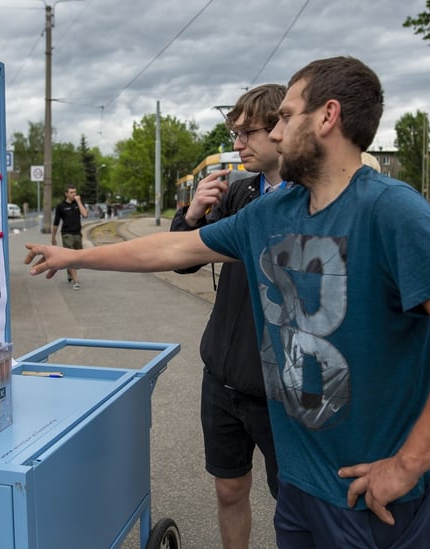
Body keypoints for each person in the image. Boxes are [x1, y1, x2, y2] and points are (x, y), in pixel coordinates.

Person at [25, 56, 430, 547]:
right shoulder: (271, 210)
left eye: (285, 116)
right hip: (301, 484)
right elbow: (175, 247)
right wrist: (76, 256)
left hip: (369, 497)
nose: (275, 134)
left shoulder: (391, 210)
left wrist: (410, 464)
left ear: (327, 117)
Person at [170, 84, 286, 548]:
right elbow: (184, 260)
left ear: (283, 128)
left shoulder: (314, 198)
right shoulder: (240, 193)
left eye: (246, 133)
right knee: (229, 487)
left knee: (295, 502)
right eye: (234, 132)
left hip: (282, 390)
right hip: (222, 376)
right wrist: (193, 213)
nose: (237, 145)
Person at [51, 185, 88, 290]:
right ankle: (76, 281)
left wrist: (79, 202)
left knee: (78, 259)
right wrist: (53, 237)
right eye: (71, 192)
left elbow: (85, 214)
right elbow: (56, 223)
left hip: (77, 234)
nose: (74, 194)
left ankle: (69, 272)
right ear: (66, 194)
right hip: (67, 234)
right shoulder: (61, 206)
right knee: (70, 258)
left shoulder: (78, 203)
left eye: (75, 192)